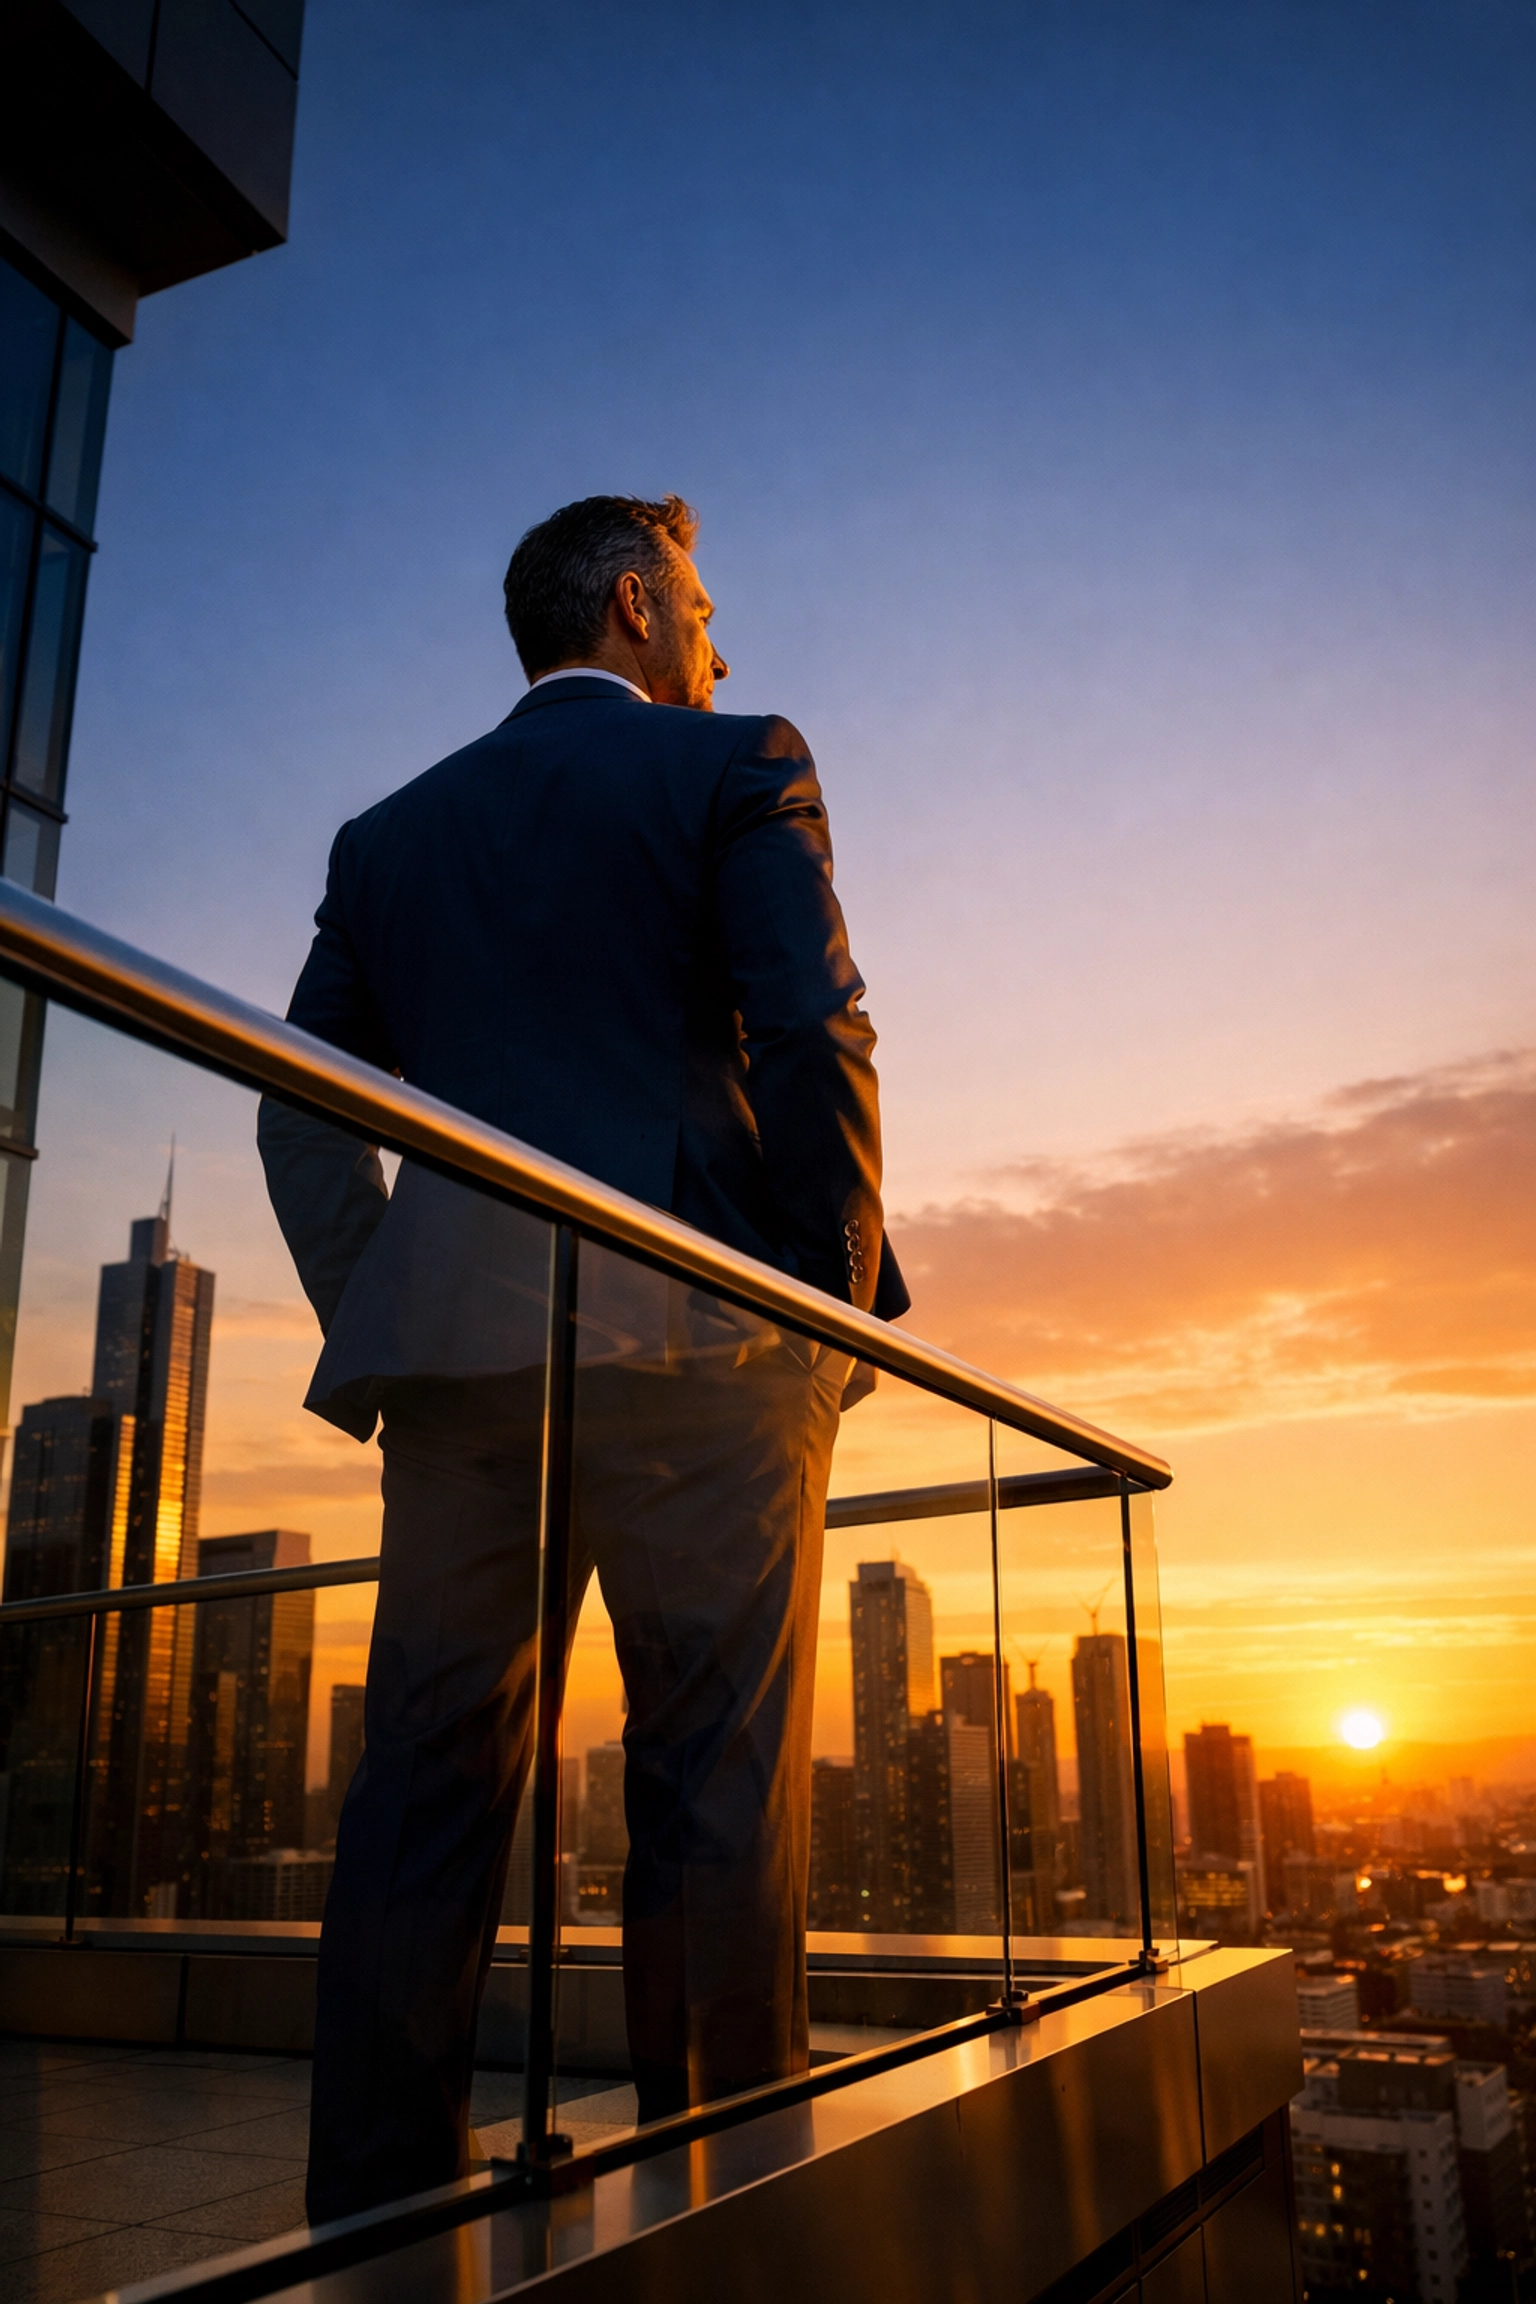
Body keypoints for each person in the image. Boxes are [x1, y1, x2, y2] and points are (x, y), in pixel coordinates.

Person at [259, 494, 907, 2223]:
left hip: (463, 1386)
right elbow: (812, 1028)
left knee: (426, 1791)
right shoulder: (734, 761)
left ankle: (377, 2223)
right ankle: (717, 2204)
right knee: (712, 1783)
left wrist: (391, 1321)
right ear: (637, 605)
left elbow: (302, 1116)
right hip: (706, 1362)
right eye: (702, 604)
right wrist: (829, 1314)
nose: (722, 643)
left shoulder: (387, 837)